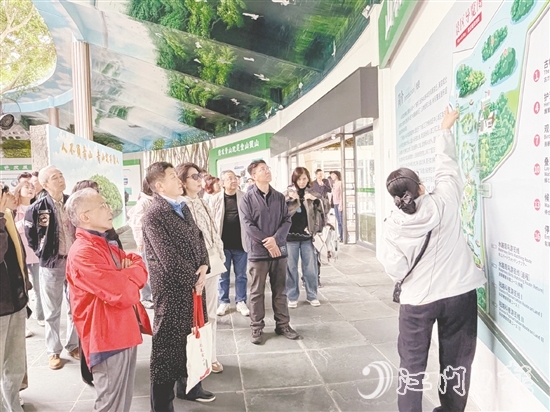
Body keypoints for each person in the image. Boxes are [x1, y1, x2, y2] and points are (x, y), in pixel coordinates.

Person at [379, 108, 486, 412]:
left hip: (417, 302)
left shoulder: (392, 227)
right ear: (421, 187)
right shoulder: (445, 200)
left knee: (411, 366)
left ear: (395, 199)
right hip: (459, 295)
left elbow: (396, 268)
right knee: (457, 361)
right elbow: (447, 168)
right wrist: (445, 129)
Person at [65, 188, 148, 412]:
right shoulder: (83, 252)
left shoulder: (102, 242)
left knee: (123, 401)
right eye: (102, 205)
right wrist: (127, 274)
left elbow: (138, 264)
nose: (109, 209)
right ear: (85, 217)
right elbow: (123, 292)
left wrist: (126, 274)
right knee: (111, 404)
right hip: (107, 335)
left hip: (124, 329)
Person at [142, 162, 215, 411]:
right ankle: (162, 405)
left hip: (194, 286)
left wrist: (204, 265)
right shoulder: (154, 215)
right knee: (167, 351)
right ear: (160, 185)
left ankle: (190, 387)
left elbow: (198, 237)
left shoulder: (182, 206)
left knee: (192, 339)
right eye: (173, 177)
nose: (179, 180)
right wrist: (195, 279)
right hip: (173, 292)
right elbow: (168, 259)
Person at [24, 166, 79, 370]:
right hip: (52, 264)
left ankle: (73, 345)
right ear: (45, 184)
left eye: (61, 175)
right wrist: (42, 254)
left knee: (75, 306)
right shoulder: (38, 208)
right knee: (52, 310)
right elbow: (32, 237)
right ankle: (53, 351)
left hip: (74, 262)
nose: (61, 179)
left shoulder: (72, 202)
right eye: (55, 177)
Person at [239, 160, 300, 345]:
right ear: (253, 176)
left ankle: (283, 325)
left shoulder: (279, 197)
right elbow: (248, 225)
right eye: (262, 169)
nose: (267, 171)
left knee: (280, 290)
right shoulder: (247, 199)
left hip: (278, 251)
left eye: (267, 168)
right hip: (258, 252)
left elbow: (287, 220)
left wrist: (276, 240)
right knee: (256, 292)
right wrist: (268, 242)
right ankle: (257, 328)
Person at [176, 162, 225, 374]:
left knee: (211, 313)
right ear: (182, 181)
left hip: (213, 262)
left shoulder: (203, 202)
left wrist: (219, 253)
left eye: (200, 176)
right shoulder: (179, 206)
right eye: (194, 177)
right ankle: (195, 358)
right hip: (194, 268)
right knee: (193, 315)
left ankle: (210, 356)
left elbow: (213, 231)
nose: (199, 180)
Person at [1, 189, 30, 412]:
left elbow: (19, 255)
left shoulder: (7, 216)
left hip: (16, 300)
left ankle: (12, 406)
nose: (7, 195)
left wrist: (25, 288)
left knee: (15, 364)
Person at [210, 170, 250, 318]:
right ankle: (224, 301)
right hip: (223, 245)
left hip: (241, 243)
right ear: (222, 183)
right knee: (223, 276)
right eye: (229, 179)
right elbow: (211, 222)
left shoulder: (244, 197)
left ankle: (241, 301)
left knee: (241, 275)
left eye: (235, 178)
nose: (233, 181)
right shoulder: (215, 199)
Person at [284, 167, 325, 308]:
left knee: (310, 268)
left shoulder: (313, 193)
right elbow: (279, 213)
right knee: (291, 268)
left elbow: (325, 208)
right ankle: (292, 296)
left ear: (308, 179)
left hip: (307, 237)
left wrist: (315, 200)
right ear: (294, 179)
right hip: (290, 237)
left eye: (304, 178)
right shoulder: (287, 194)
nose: (302, 182)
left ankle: (312, 295)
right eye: (299, 179)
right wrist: (289, 199)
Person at [13, 181, 44, 330]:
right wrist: (26, 222)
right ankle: (23, 322)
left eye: (32, 187)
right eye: (27, 187)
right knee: (22, 289)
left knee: (39, 287)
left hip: (36, 254)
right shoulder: (13, 210)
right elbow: (12, 229)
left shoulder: (38, 208)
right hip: (20, 254)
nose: (30, 189)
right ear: (19, 190)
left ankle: (41, 316)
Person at [127, 179, 154, 309]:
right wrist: (139, 242)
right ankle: (145, 297)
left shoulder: (152, 200)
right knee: (147, 271)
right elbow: (137, 224)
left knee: (151, 270)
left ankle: (150, 296)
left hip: (152, 243)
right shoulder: (143, 202)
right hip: (145, 243)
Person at [330, 171, 343, 242]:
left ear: (337, 175)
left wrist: (341, 204)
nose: (331, 176)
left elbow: (342, 195)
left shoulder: (340, 183)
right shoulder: (333, 184)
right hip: (335, 204)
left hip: (339, 204)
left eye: (333, 174)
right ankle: (341, 236)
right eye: (331, 175)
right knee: (338, 221)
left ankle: (345, 236)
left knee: (341, 221)